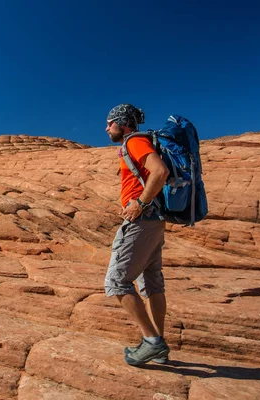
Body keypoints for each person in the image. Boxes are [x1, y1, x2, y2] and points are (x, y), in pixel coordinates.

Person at [103, 103, 171, 366]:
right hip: (154, 221)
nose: (107, 127)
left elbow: (160, 171)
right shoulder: (137, 142)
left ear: (123, 122)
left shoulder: (134, 141)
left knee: (116, 282)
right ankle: (159, 345)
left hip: (142, 220)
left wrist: (140, 203)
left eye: (110, 122)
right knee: (152, 282)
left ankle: (152, 342)